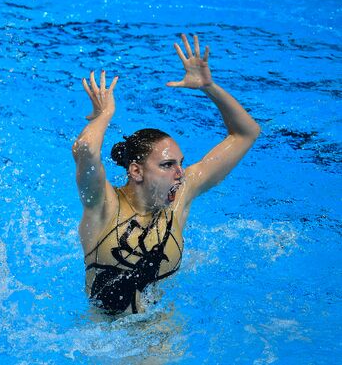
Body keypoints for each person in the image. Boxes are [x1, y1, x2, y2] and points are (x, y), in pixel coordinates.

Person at [72, 34, 260, 314]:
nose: (180, 174)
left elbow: (247, 133)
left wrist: (210, 88)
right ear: (136, 171)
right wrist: (104, 115)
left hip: (162, 333)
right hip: (103, 341)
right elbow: (85, 150)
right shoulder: (103, 205)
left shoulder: (181, 198)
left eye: (180, 163)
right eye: (167, 165)